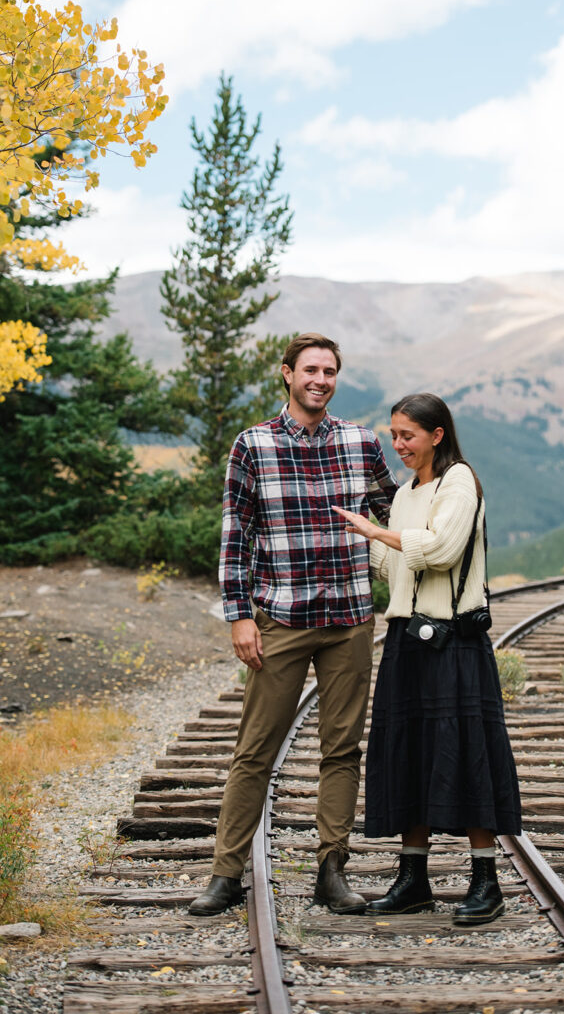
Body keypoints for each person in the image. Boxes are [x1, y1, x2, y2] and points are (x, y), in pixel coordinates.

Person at [189, 333, 398, 917]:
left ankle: (332, 871)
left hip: (350, 618)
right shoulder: (252, 444)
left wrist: (453, 490)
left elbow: (395, 512)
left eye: (330, 371)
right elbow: (236, 535)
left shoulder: (360, 442)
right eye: (310, 370)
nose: (321, 380)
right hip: (279, 618)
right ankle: (225, 875)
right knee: (254, 750)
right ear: (287, 374)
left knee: (342, 750)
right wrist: (238, 616)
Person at [332, 392, 521, 925]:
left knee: (467, 755)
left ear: (437, 435)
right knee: (408, 753)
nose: (398, 445)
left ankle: (486, 881)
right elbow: (399, 564)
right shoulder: (409, 493)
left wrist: (375, 530)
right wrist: (352, 537)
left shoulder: (459, 480)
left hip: (455, 640)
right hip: (407, 640)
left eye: (407, 435)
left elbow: (441, 550)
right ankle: (413, 879)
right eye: (393, 435)